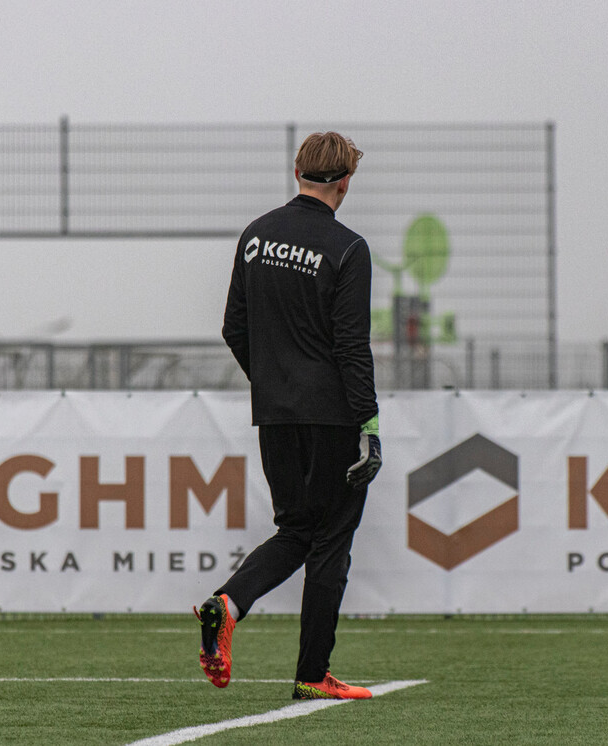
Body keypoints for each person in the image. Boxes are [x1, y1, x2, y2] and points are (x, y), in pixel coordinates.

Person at [194, 131, 382, 701]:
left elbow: (234, 327)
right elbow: (352, 346)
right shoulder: (348, 247)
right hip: (333, 416)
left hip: (274, 414)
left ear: (297, 171)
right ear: (346, 180)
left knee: (295, 529)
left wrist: (275, 385)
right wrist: (368, 425)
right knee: (330, 539)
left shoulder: (256, 236)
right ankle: (311, 674)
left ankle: (227, 603)